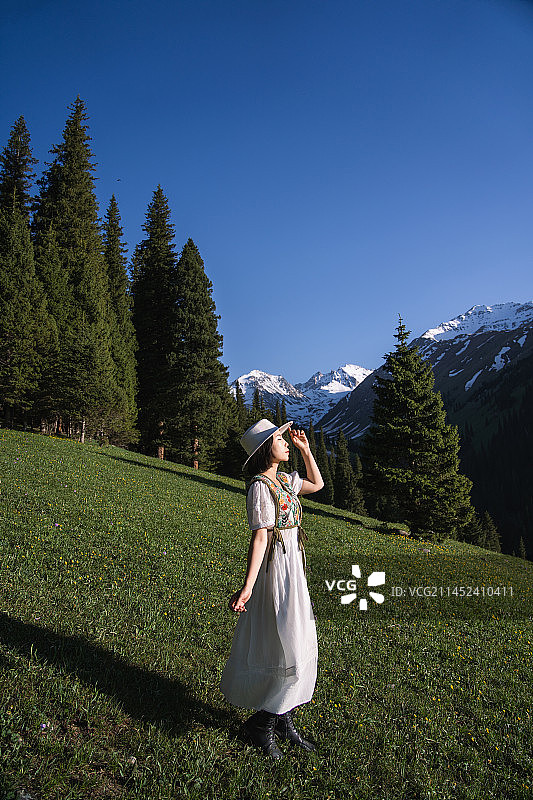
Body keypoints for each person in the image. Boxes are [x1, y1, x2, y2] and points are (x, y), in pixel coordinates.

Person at [219, 418, 324, 760]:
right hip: (277, 572)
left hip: (293, 568)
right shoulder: (260, 488)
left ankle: (283, 718)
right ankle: (262, 724)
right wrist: (248, 586)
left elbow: (317, 484)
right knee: (288, 645)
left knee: (300, 640)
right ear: (267, 448)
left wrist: (307, 450)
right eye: (281, 438)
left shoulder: (284, 481)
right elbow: (261, 535)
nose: (286, 442)